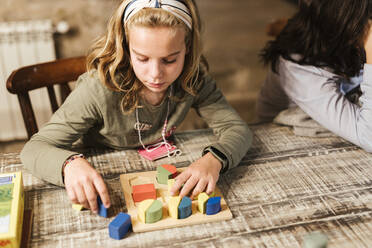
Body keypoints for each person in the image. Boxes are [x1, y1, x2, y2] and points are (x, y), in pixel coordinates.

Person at [21, 0, 252, 214]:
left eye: (170, 60)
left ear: (188, 48)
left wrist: (214, 160)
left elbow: (237, 129)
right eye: (142, 58)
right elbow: (34, 148)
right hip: (104, 177)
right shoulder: (97, 89)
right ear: (125, 46)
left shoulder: (194, 79)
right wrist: (69, 165)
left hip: (159, 169)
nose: (156, 75)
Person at [257, 0, 372, 150]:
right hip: (283, 134)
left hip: (345, 99)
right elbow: (368, 137)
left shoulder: (342, 33)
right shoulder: (298, 67)